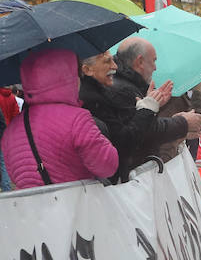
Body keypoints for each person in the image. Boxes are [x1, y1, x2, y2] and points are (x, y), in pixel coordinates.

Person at [1, 49, 118, 188]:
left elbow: (13, 174)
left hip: (33, 208)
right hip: (77, 206)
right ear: (66, 77)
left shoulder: (11, 130)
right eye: (76, 73)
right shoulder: (77, 119)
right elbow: (107, 166)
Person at [107, 38, 201, 178]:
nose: (155, 67)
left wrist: (154, 105)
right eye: (153, 61)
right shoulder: (123, 90)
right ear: (139, 62)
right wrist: (183, 123)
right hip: (132, 178)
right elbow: (141, 134)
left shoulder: (129, 86)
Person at [78, 49, 180, 181]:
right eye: (107, 61)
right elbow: (123, 143)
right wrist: (146, 111)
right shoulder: (92, 100)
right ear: (87, 70)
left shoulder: (101, 93)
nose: (114, 66)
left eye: (113, 60)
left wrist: (149, 108)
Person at [158, 84, 201, 161]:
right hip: (165, 157)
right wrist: (197, 92)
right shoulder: (173, 97)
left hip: (168, 154)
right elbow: (198, 121)